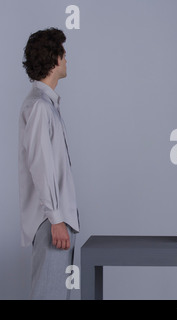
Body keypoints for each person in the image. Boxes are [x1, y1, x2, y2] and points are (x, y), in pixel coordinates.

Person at [19, 28, 80, 299]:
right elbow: (40, 165)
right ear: (54, 59)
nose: (67, 59)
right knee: (49, 294)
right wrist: (56, 219)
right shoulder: (41, 106)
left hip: (55, 219)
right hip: (50, 221)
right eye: (63, 54)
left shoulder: (46, 104)